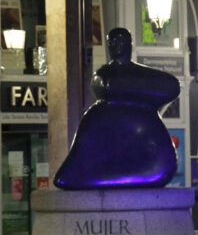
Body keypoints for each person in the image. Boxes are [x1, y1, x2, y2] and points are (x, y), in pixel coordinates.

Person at [54, 28, 180, 189]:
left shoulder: (131, 82)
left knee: (160, 171)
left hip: (154, 159)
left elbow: (172, 87)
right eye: (111, 42)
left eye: (120, 41)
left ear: (129, 45)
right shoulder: (100, 97)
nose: (115, 45)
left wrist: (122, 84)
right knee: (70, 176)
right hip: (131, 154)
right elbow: (65, 177)